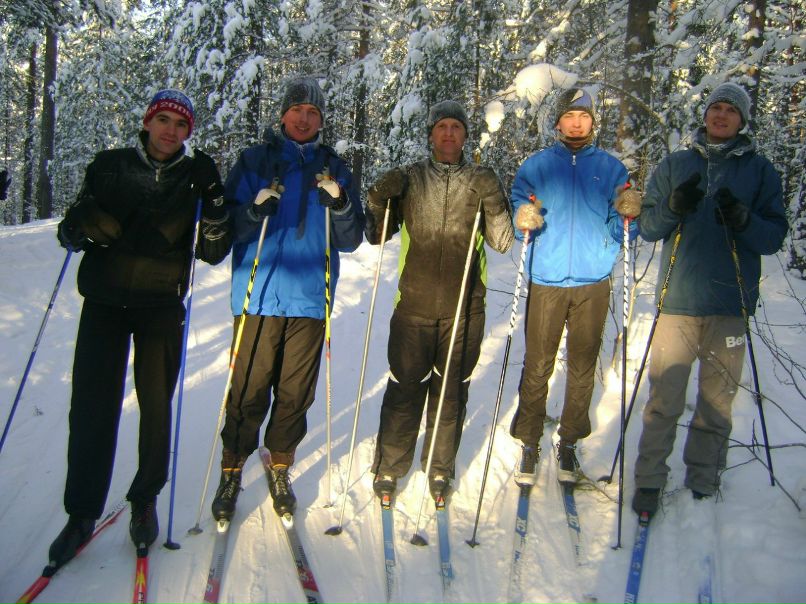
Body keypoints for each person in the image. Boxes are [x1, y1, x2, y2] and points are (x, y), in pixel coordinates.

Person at [49, 89, 233, 565]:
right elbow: (69, 234)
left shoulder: (195, 175)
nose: (171, 131)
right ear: (148, 123)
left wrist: (215, 208)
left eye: (180, 124)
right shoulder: (110, 165)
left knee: (155, 408)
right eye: (164, 120)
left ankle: (145, 500)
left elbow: (212, 253)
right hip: (105, 304)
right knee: (92, 408)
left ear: (188, 133)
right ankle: (82, 513)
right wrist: (80, 225)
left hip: (160, 307)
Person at [631, 81, 788, 517]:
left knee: (717, 402)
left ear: (742, 120)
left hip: (729, 305)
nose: (721, 115)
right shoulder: (676, 164)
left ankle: (703, 476)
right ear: (705, 115)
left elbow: (774, 236)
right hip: (677, 302)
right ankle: (649, 480)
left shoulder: (760, 171)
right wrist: (674, 207)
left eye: (730, 110)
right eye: (715, 107)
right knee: (663, 400)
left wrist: (743, 219)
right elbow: (648, 227)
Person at [210, 77, 364, 521]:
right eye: (297, 109)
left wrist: (340, 206)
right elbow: (228, 227)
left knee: (296, 393)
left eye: (313, 112)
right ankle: (232, 466)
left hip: (311, 299)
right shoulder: (255, 161)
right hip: (258, 294)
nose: (304, 117)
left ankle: (280, 463)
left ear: (320, 120)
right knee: (248, 390)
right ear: (283, 115)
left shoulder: (334, 167)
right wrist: (251, 211)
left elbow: (351, 240)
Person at [366, 100, 514, 502]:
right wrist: (380, 199)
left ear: (465, 135)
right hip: (413, 306)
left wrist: (495, 201)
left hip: (464, 309)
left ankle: (439, 467)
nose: (449, 133)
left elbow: (503, 242)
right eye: (442, 127)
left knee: (451, 392)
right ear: (431, 134)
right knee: (404, 388)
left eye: (456, 127)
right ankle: (390, 467)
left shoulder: (482, 178)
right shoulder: (412, 178)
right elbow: (376, 235)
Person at [508, 88, 641, 486]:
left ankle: (569, 440)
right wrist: (523, 214)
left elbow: (627, 216)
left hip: (592, 282)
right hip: (546, 279)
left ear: (593, 122)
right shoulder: (537, 166)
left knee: (583, 368)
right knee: (538, 365)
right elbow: (519, 201)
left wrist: (626, 219)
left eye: (584, 116)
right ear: (558, 122)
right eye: (570, 116)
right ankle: (529, 439)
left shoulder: (611, 168)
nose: (577, 122)